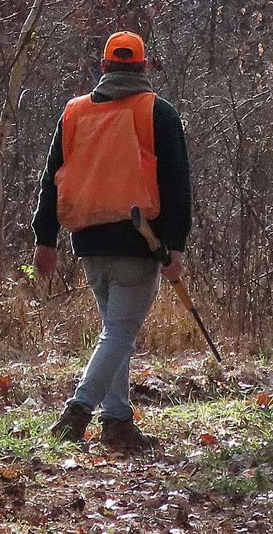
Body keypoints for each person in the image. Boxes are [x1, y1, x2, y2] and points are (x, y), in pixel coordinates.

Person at [32, 31, 192, 450]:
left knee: (113, 333)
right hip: (140, 242)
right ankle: (78, 410)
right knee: (119, 333)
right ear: (143, 67)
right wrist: (175, 245)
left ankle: (117, 421)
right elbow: (177, 185)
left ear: (104, 67)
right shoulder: (158, 112)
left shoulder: (74, 113)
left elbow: (51, 180)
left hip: (88, 243)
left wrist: (45, 239)